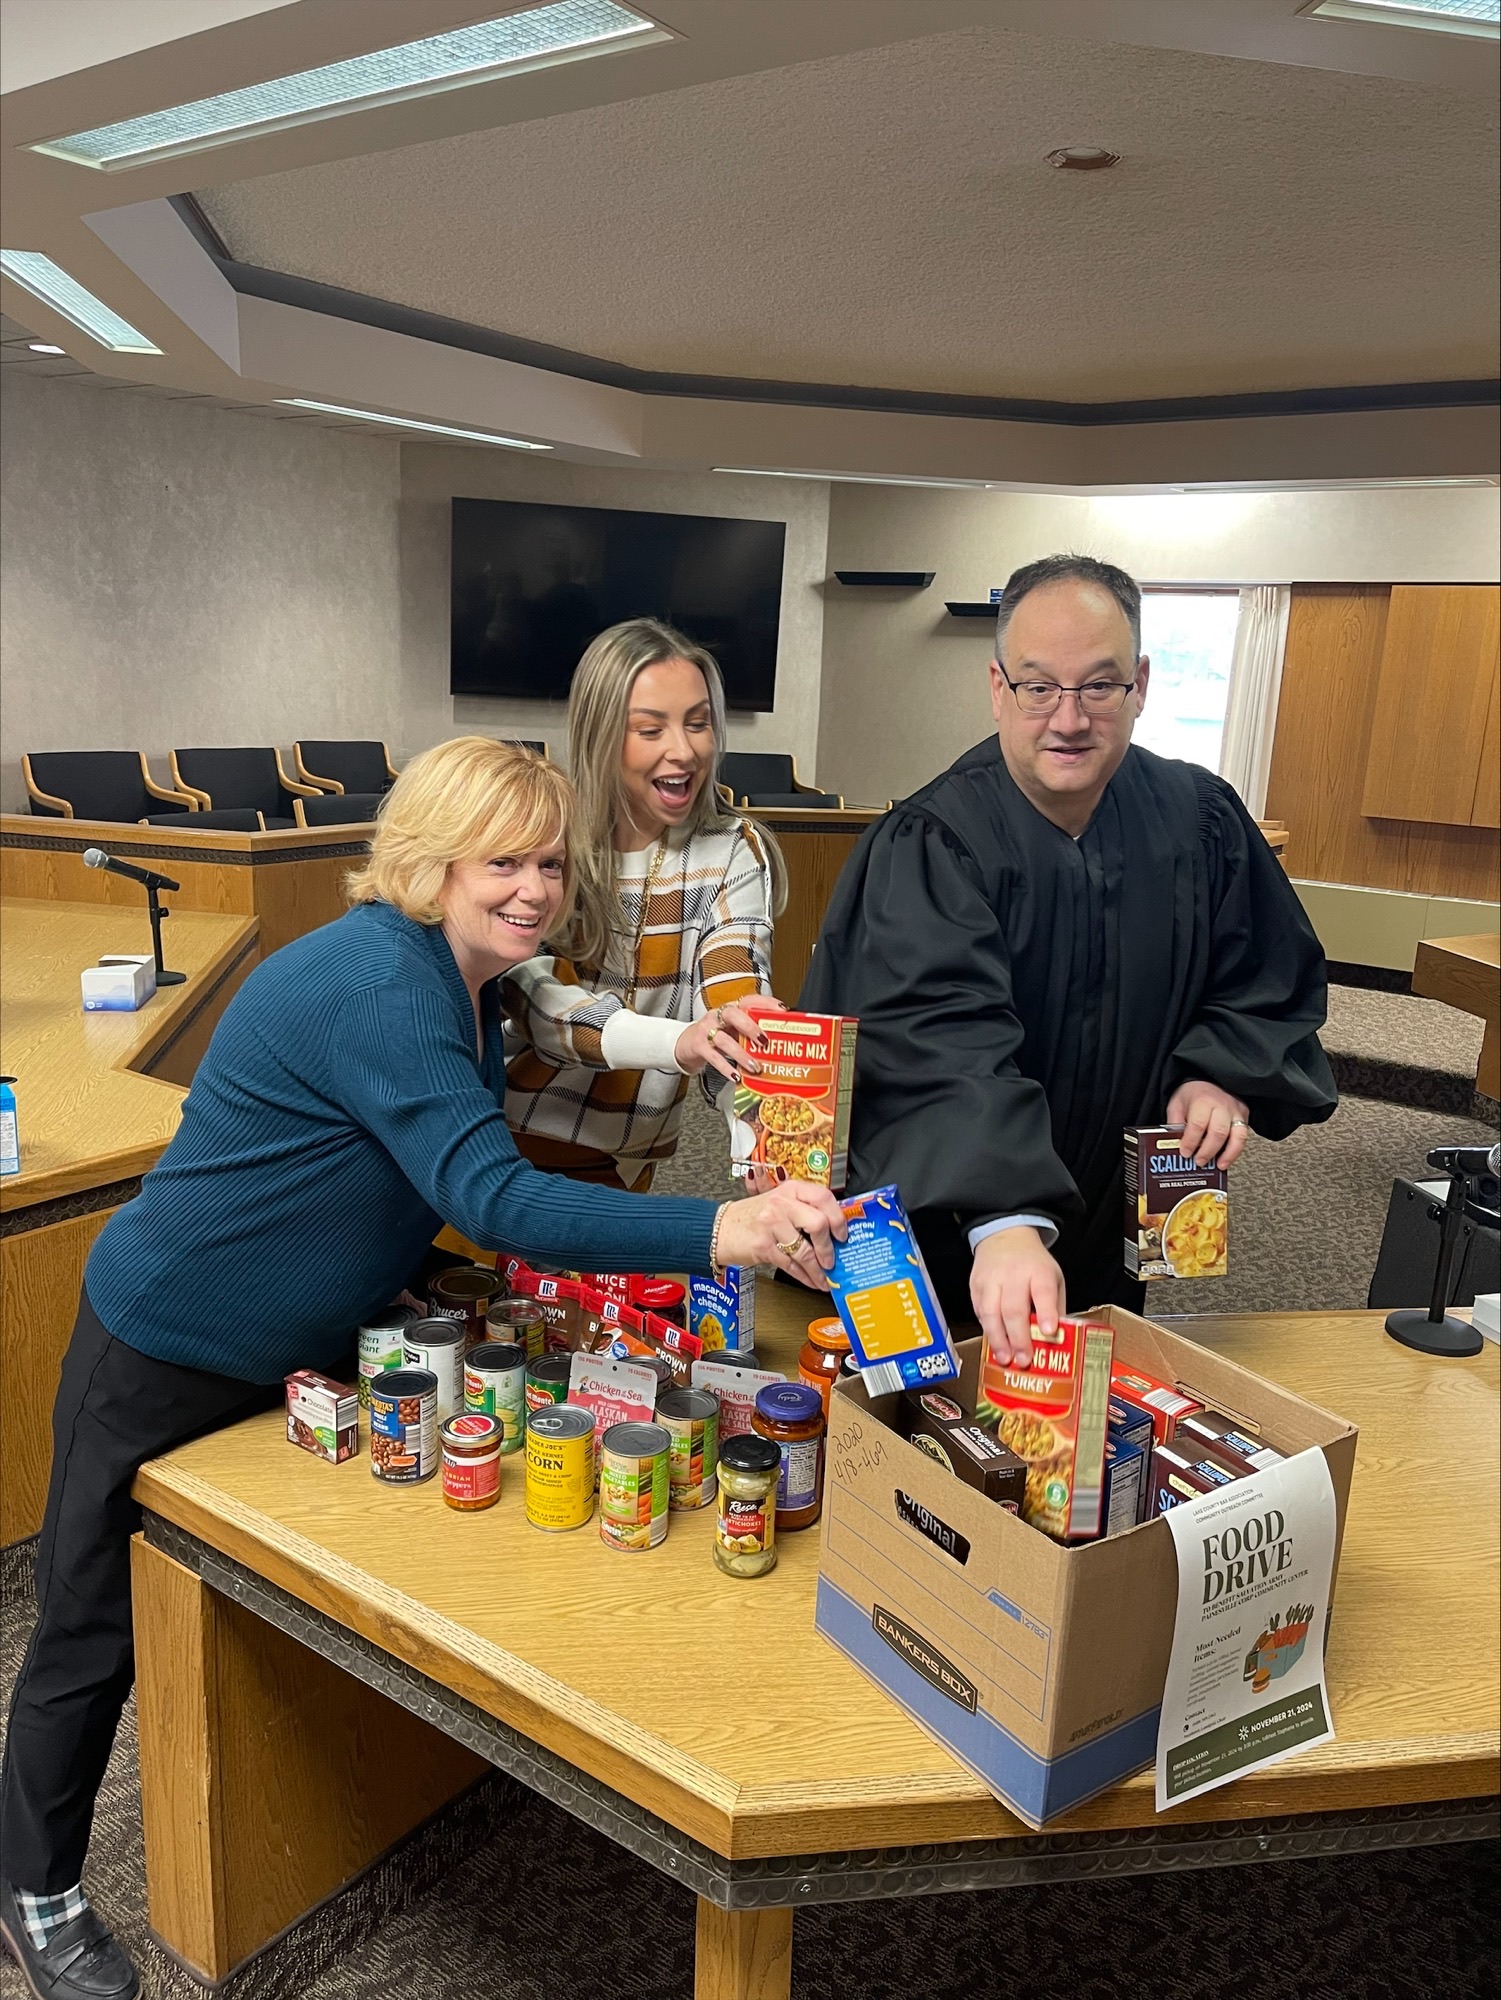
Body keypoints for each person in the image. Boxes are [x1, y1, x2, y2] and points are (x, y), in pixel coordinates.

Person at [0, 737, 841, 2000]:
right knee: (87, 1623)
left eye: (551, 861)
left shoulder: (469, 969)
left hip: (315, 1326)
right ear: (430, 861)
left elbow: (565, 1009)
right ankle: (38, 1886)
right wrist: (721, 1229)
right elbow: (492, 1195)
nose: (533, 887)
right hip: (171, 1332)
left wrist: (688, 1043)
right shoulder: (380, 980)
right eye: (501, 860)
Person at [800, 553, 1336, 1366]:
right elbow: (936, 1039)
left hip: (1107, 1217)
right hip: (954, 1229)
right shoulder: (936, 842)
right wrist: (1003, 1217)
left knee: (1087, 1434)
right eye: (1038, 686)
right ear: (996, 687)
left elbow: (1263, 973)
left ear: (1141, 685)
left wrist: (1217, 1071)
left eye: (1098, 686)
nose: (1068, 718)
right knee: (931, 1433)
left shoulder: (1199, 821)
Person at [503, 617, 783, 1188]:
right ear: (602, 735)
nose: (683, 751)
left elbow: (733, 997)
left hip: (632, 1160)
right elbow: (538, 1004)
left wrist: (761, 1136)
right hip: (514, 1142)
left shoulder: (732, 849)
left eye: (699, 724)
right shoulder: (550, 834)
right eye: (650, 730)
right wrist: (679, 1042)